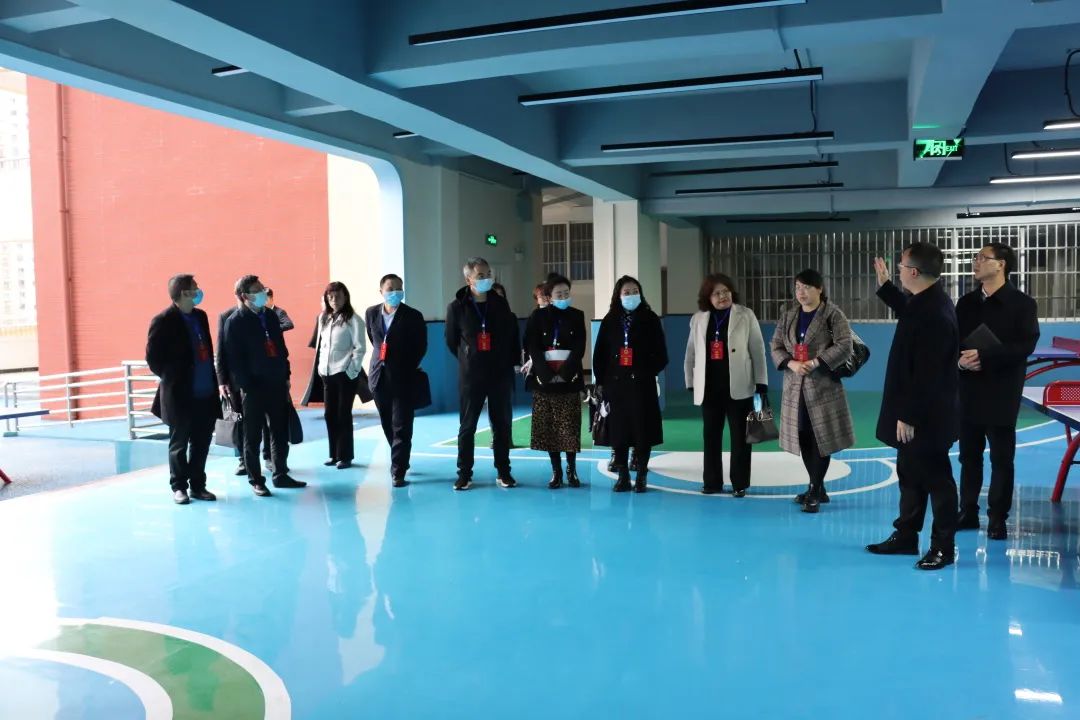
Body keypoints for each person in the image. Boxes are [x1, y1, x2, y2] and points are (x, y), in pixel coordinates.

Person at [867, 244, 960, 570]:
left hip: (926, 417)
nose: (899, 271)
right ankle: (906, 535)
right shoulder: (925, 302)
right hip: (915, 412)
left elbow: (927, 374)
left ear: (914, 272)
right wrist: (885, 287)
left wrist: (909, 415)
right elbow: (908, 309)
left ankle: (943, 546)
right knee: (909, 474)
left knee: (937, 480)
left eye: (901, 267)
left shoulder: (934, 314)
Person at [956, 244, 1040, 540]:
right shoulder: (966, 303)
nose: (976, 262)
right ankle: (967, 511)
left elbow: (1025, 345)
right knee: (968, 456)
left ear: (1001, 264)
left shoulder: (1023, 304)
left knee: (1001, 460)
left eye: (983, 258)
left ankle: (997, 518)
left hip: (1002, 392)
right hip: (969, 390)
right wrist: (960, 361)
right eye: (976, 257)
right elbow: (953, 340)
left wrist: (986, 356)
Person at [770, 269, 855, 512]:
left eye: (806, 287)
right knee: (804, 435)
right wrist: (791, 363)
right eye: (798, 287)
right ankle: (817, 487)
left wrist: (816, 362)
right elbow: (776, 345)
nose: (801, 292)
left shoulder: (833, 315)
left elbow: (845, 345)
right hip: (795, 387)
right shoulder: (788, 315)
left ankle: (815, 490)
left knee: (821, 438)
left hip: (823, 387)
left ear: (819, 289)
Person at [683, 273, 767, 497]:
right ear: (707, 297)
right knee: (711, 437)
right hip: (709, 389)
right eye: (716, 293)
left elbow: (758, 350)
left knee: (741, 438)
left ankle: (740, 483)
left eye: (726, 291)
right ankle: (712, 482)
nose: (722, 296)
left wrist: (761, 382)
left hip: (740, 387)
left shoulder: (746, 315)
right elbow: (691, 353)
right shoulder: (698, 319)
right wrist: (690, 381)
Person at [223, 274, 306, 496]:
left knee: (279, 432)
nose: (263, 293)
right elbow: (233, 359)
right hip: (253, 388)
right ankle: (256, 480)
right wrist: (246, 385)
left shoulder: (270, 316)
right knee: (252, 436)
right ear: (245, 296)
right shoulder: (235, 322)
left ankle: (280, 474)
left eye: (263, 288)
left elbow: (280, 348)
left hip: (276, 383)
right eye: (257, 290)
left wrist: (286, 374)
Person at [146, 274, 222, 504]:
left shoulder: (201, 316)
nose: (199, 291)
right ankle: (179, 487)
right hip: (180, 395)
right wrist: (172, 378)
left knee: (201, 443)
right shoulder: (163, 320)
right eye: (195, 288)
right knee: (179, 444)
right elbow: (153, 358)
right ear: (184, 293)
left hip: (206, 392)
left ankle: (198, 485)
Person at [445, 257, 519, 490]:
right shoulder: (456, 307)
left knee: (501, 425)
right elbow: (451, 341)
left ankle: (504, 472)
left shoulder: (500, 304)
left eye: (488, 274)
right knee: (467, 427)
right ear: (469, 279)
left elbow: (510, 335)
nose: (486, 279)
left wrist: (509, 362)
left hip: (499, 374)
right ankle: (464, 473)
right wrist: (469, 358)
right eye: (480, 275)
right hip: (471, 377)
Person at [593, 275, 668, 493]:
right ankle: (623, 475)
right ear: (618, 295)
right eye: (626, 292)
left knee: (643, 430)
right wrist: (601, 382)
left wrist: (646, 371)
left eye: (635, 291)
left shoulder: (650, 319)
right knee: (619, 431)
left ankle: (642, 474)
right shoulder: (610, 320)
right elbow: (600, 354)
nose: (631, 295)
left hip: (642, 385)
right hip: (616, 385)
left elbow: (662, 354)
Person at [366, 274, 427, 487]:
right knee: (387, 423)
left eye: (398, 288)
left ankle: (398, 470)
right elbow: (374, 340)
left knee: (402, 425)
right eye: (390, 288)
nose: (395, 292)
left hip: (404, 377)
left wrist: (407, 365)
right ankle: (400, 456)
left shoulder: (413, 316)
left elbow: (421, 346)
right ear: (381, 291)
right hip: (378, 377)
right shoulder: (371, 313)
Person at [527, 273, 586, 489]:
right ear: (549, 297)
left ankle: (572, 469)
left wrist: (565, 373)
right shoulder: (537, 317)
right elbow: (532, 346)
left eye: (566, 293)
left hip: (569, 379)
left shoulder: (577, 315)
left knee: (569, 427)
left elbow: (579, 347)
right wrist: (546, 374)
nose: (563, 297)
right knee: (550, 428)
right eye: (559, 294)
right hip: (544, 380)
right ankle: (556, 471)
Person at [309, 281, 366, 469]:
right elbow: (321, 346)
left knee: (343, 414)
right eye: (330, 297)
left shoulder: (354, 320)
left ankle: (345, 456)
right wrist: (320, 368)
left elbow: (360, 348)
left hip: (344, 374)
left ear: (346, 297)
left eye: (338, 296)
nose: (334, 300)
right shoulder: (323, 318)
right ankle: (334, 454)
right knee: (329, 414)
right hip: (327, 374)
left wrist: (351, 371)